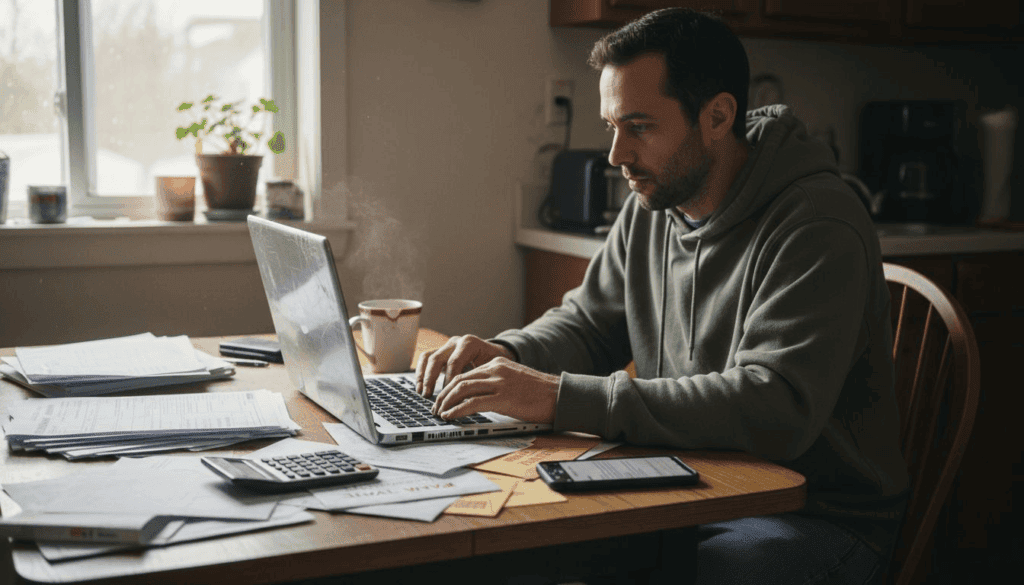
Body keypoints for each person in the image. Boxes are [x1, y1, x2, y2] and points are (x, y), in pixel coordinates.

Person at [416, 8, 908, 584]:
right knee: (497, 548)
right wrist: (509, 354)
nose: (616, 155)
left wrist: (557, 398)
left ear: (717, 117)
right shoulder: (654, 203)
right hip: (689, 485)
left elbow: (774, 407)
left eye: (640, 127)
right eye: (612, 126)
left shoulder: (817, 222)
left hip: (810, 515)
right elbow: (589, 324)